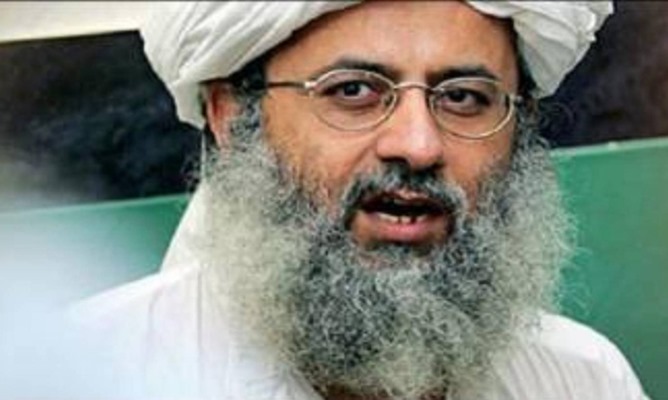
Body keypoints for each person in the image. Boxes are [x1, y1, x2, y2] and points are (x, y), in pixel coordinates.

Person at [70, 2, 649, 399]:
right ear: (231, 117)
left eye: (464, 98)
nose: (419, 145)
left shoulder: (583, 380)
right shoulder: (81, 372)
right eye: (353, 91)